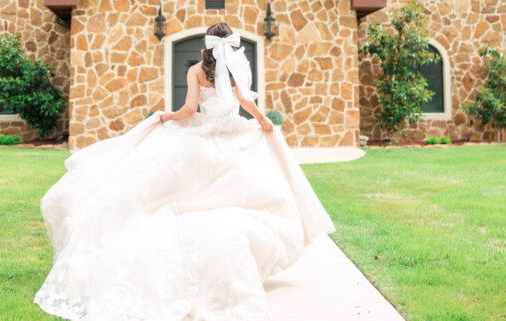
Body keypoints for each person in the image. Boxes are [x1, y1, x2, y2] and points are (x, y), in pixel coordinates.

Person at [33, 21, 336, 321]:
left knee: (172, 182)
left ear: (205, 46)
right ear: (229, 46)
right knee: (252, 189)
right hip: (232, 136)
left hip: (203, 136)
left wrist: (168, 116)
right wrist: (263, 121)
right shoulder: (233, 69)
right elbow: (244, 100)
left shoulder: (196, 71)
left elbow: (190, 110)